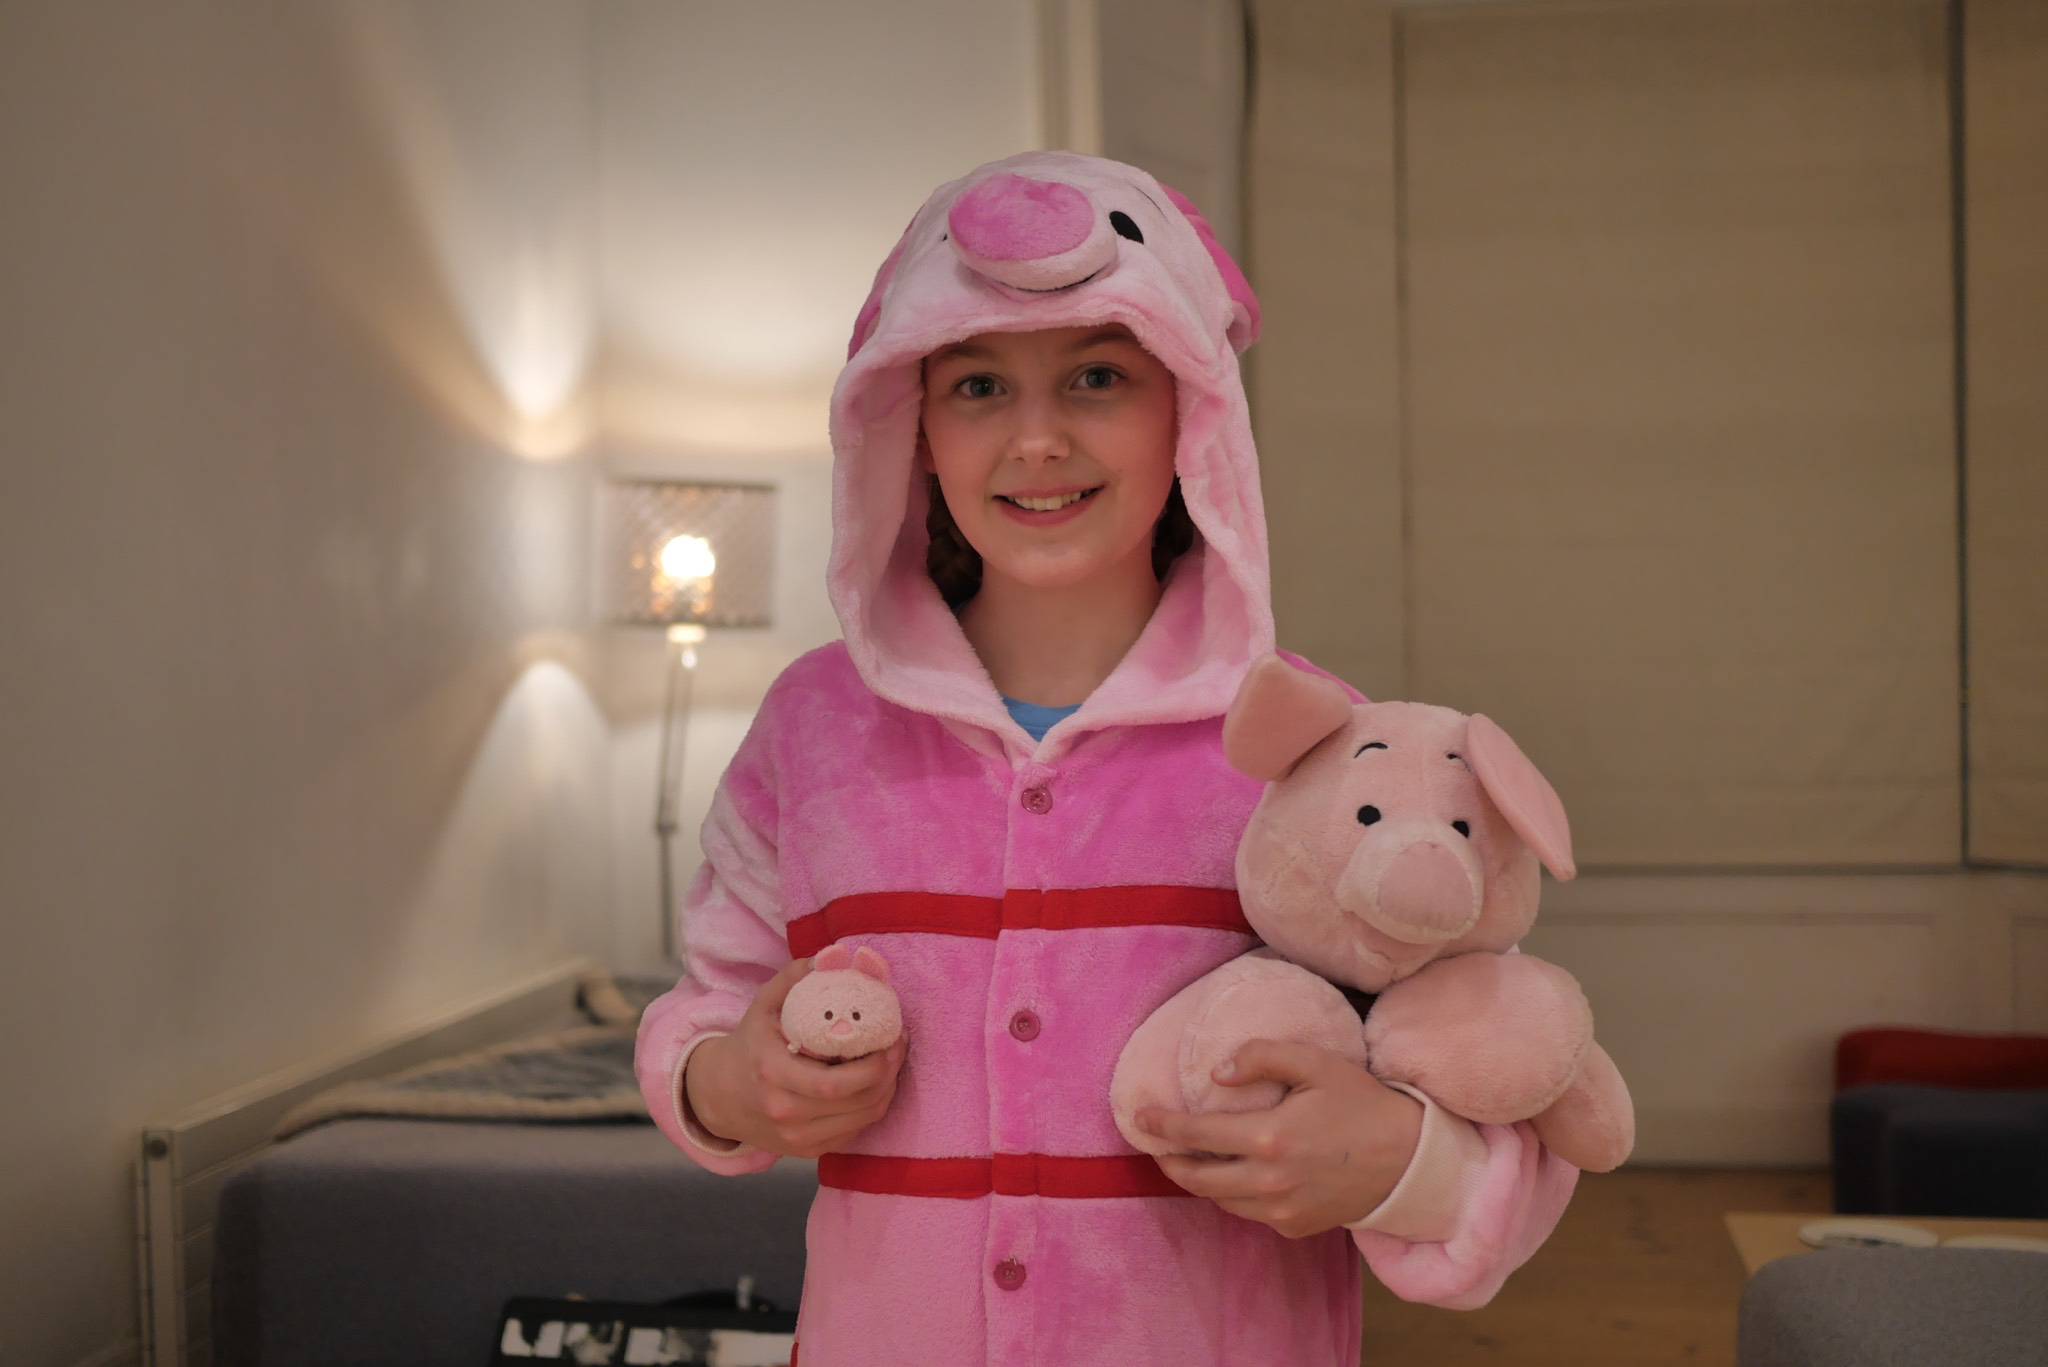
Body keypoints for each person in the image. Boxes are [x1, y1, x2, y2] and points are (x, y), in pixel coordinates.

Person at [634, 151, 1577, 1367]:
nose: (1036, 439)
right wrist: (731, 1082)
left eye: (1096, 375)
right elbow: (708, 1007)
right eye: (977, 384)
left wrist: (1397, 1158)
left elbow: (1502, 1066)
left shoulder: (1324, 745)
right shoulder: (812, 729)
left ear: (1189, 405)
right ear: (910, 424)